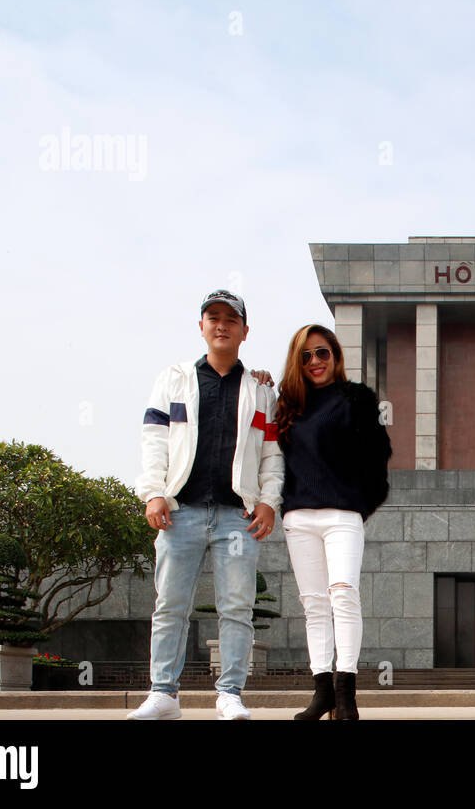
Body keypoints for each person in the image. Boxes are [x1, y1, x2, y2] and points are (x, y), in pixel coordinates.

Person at [127, 290, 283, 721]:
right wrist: (153, 492)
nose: (221, 325)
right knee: (170, 605)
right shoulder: (173, 379)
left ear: (244, 331)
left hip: (238, 516)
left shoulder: (260, 389)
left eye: (230, 319)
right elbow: (154, 440)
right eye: (212, 317)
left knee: (237, 607)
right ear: (201, 326)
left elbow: (271, 452)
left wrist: (269, 501)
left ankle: (230, 693)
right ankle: (164, 694)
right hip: (181, 513)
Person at [269, 324, 391, 720]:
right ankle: (322, 693)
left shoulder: (355, 399)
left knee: (343, 594)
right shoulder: (288, 404)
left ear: (335, 355)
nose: (314, 362)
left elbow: (377, 457)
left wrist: (359, 505)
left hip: (342, 515)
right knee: (315, 605)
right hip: (298, 516)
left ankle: (346, 696)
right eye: (305, 356)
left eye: (321, 353)